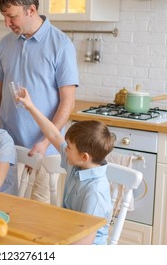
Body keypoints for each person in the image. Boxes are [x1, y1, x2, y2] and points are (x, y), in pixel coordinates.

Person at [0, 0, 79, 202]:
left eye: (12, 16)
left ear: (31, 10)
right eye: (4, 17)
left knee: (38, 217)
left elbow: (68, 101)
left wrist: (46, 142)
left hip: (42, 150)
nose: (7, 23)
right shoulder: (5, 44)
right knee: (3, 206)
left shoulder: (61, 45)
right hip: (7, 147)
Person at [18, 88, 115, 245]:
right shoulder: (78, 164)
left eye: (68, 147)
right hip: (68, 235)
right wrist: (30, 106)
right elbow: (54, 134)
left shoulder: (95, 192)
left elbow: (86, 240)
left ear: (84, 157)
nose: (65, 149)